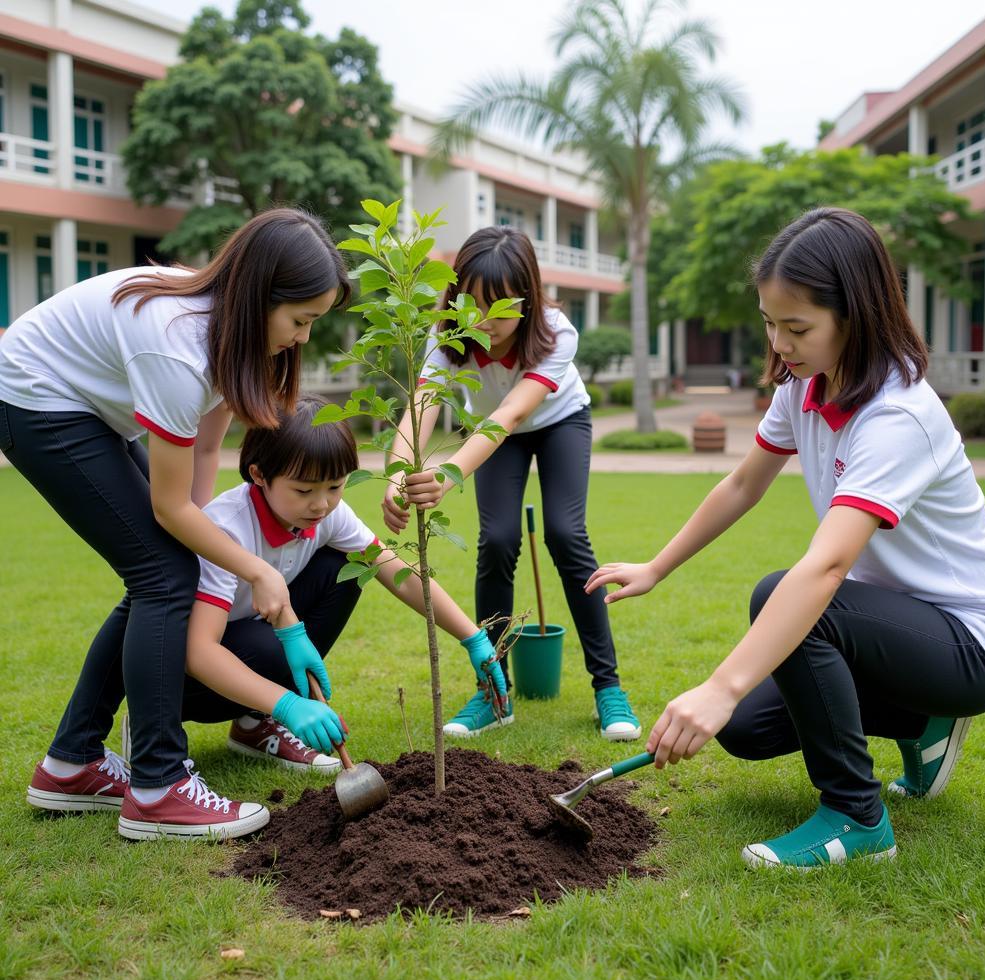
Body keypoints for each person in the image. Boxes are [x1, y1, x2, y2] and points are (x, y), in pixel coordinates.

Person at [587, 207, 985, 869]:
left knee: (784, 600)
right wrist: (658, 566)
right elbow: (743, 485)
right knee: (745, 728)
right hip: (893, 629)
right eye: (770, 322)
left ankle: (857, 818)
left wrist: (721, 684)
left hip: (969, 644)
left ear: (858, 315)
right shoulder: (805, 387)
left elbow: (826, 569)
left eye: (798, 327)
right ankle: (923, 723)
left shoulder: (899, 416)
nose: (780, 342)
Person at [8, 208, 348, 840]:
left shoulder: (229, 337)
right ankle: (158, 789)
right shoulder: (177, 342)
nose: (303, 339)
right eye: (300, 321)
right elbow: (170, 509)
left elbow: (203, 453)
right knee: (162, 572)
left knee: (161, 566)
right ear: (261, 297)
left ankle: (70, 764)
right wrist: (250, 570)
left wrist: (201, 546)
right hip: (35, 398)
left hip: (78, 407)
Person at [382, 225, 639, 741]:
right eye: (473, 304)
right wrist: (396, 474)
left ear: (528, 298)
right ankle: (493, 692)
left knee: (567, 533)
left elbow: (512, 414)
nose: (486, 320)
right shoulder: (446, 334)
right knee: (497, 539)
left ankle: (608, 687)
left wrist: (447, 477)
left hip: (557, 421)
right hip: (494, 432)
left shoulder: (556, 332)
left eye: (501, 307)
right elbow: (424, 401)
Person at [167, 394, 506, 777]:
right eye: (304, 490)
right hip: (183, 680)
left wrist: (472, 639)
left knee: (349, 566)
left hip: (256, 646)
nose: (321, 505)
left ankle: (253, 724)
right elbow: (197, 652)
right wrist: (288, 704)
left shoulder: (327, 514)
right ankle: (159, 725)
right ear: (260, 475)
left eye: (334, 487)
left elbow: (394, 571)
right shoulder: (227, 528)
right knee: (269, 650)